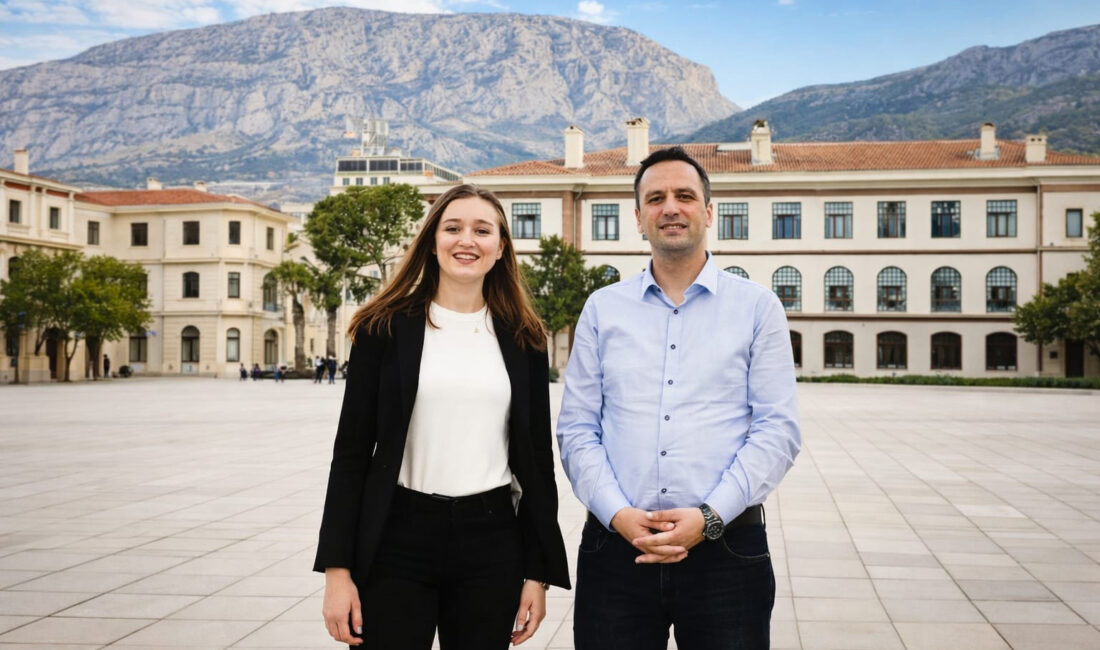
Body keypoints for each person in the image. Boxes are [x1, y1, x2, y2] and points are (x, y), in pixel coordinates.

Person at [557, 146, 801, 650]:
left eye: (685, 196)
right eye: (656, 198)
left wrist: (709, 518)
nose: (671, 207)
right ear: (639, 217)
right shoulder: (603, 309)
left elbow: (778, 430)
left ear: (708, 212)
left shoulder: (758, 308)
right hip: (616, 549)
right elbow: (577, 428)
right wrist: (619, 515)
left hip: (728, 551)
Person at [315, 184, 570, 649]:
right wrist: (337, 570)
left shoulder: (525, 338)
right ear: (432, 241)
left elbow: (536, 461)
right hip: (397, 539)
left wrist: (537, 572)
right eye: (452, 228)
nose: (465, 240)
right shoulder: (383, 328)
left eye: (481, 230)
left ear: (501, 247)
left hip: (492, 542)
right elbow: (351, 453)